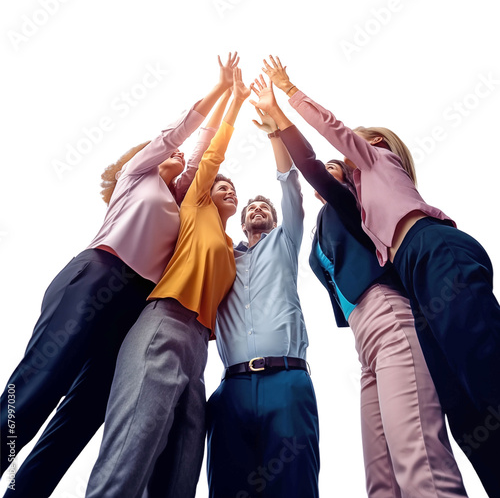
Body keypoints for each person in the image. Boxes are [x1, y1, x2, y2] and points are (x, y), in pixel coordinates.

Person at [0, 52, 239, 498]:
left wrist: (235, 103)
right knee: (38, 384)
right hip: (94, 279)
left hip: (132, 308)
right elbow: (181, 132)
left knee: (85, 414)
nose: (181, 156)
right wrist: (220, 89)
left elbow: (207, 148)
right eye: (173, 156)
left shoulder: (180, 201)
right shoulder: (137, 176)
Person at [260, 54, 500, 497]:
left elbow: (314, 161)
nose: (340, 167)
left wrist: (286, 101)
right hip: (365, 339)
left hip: (398, 307)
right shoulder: (349, 226)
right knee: (383, 477)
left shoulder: (359, 189)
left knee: (424, 453)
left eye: (343, 166)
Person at [85, 67, 250, 498]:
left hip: (199, 349)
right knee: (132, 451)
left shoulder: (232, 248)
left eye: (234, 187)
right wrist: (235, 99)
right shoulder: (195, 205)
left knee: (181, 469)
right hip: (165, 322)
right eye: (222, 184)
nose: (228, 188)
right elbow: (212, 153)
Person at [206, 103, 319, 498]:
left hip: (287, 381)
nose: (257, 208)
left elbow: (290, 186)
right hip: (231, 389)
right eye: (251, 207)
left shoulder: (286, 243)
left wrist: (274, 134)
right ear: (242, 220)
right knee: (226, 488)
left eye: (264, 207)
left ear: (273, 219)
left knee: (294, 486)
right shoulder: (222, 257)